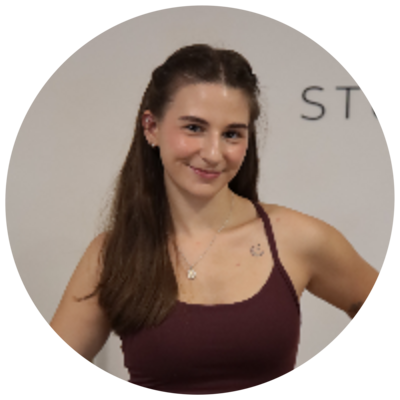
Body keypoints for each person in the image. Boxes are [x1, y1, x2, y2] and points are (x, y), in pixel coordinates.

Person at [3, 44, 400, 400]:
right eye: (194, 128)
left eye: (232, 134)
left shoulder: (296, 238)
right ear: (151, 127)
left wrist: (309, 388)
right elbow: (37, 388)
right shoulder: (112, 255)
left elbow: (385, 315)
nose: (213, 153)